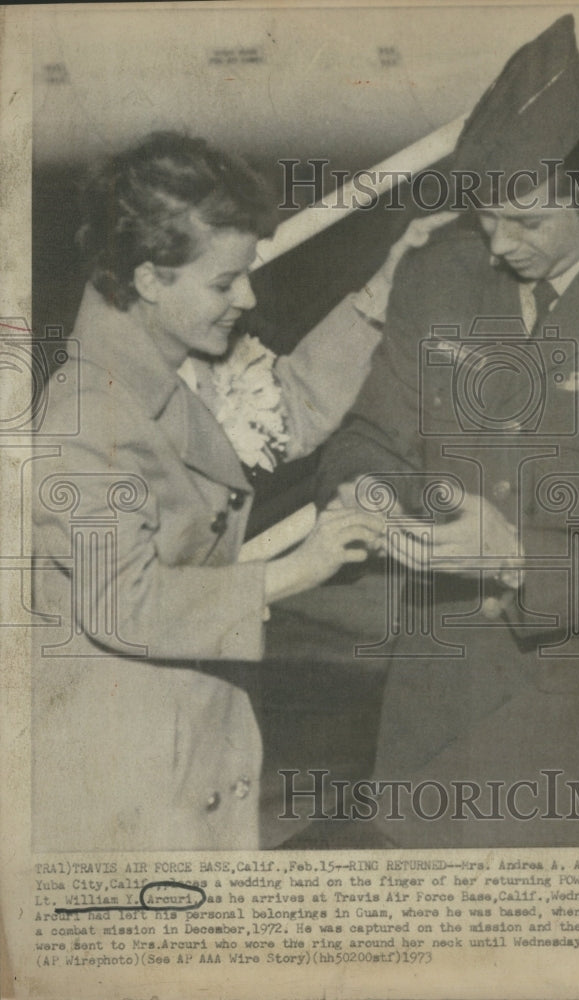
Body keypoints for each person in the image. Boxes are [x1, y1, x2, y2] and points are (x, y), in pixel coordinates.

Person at [316, 14, 579, 847]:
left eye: (526, 221)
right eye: (485, 217)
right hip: (438, 716)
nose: (498, 244)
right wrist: (368, 493)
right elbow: (366, 435)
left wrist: (520, 558)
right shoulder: (435, 278)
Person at [30, 131, 386, 851]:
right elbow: (122, 602)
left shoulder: (172, 361)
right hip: (124, 770)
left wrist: (377, 301)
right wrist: (298, 569)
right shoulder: (84, 416)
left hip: (188, 733)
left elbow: (279, 411)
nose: (247, 296)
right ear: (151, 279)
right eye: (225, 283)